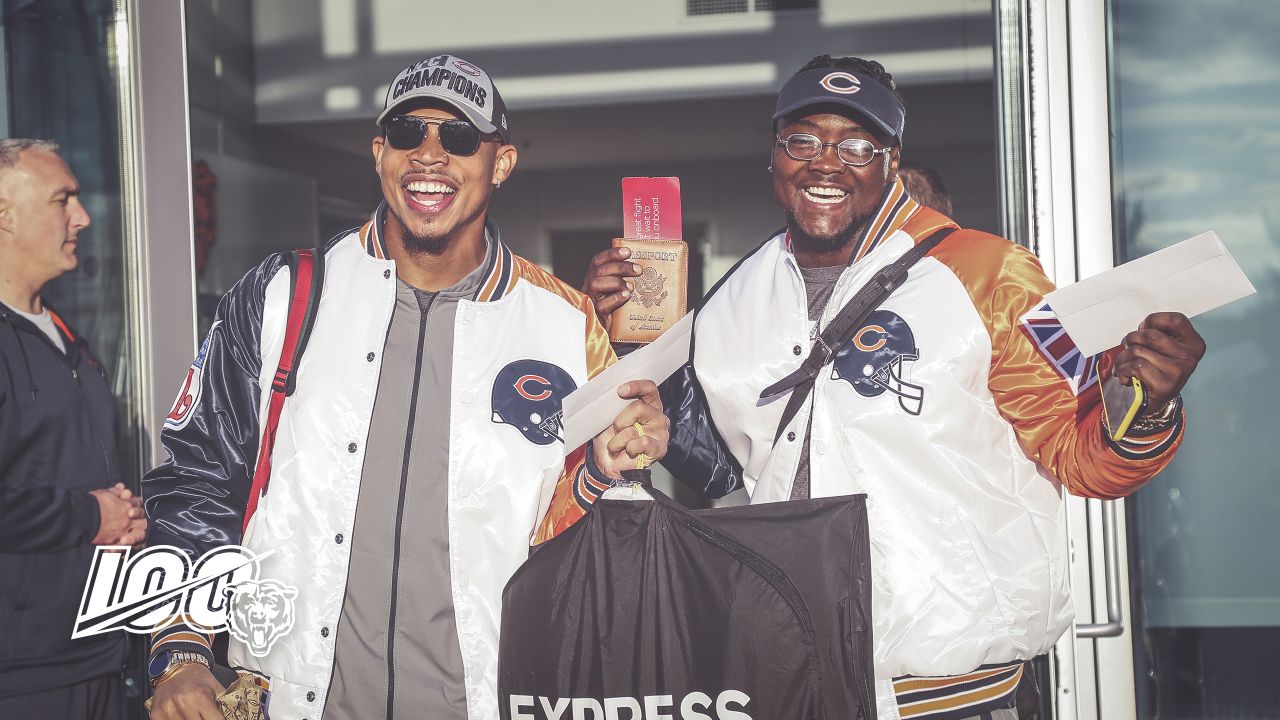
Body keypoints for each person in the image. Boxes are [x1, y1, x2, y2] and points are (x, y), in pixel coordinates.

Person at [582, 55, 1206, 719]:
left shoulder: (993, 275)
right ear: (775, 155)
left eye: (856, 145)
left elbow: (1081, 456)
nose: (827, 163)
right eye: (804, 140)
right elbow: (720, 468)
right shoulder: (739, 294)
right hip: (796, 683)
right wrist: (631, 354)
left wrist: (1149, 404)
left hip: (954, 693)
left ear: (890, 158)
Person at [142, 55, 668, 720]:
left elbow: (588, 539)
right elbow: (197, 476)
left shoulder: (565, 325)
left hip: (484, 702)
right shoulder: (284, 295)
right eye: (407, 133)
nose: (429, 155)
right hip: (293, 700)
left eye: (458, 138)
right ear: (378, 152)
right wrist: (181, 646)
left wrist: (614, 467)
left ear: (500, 163)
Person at [0, 138, 146, 719]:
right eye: (64, 200)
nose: (82, 218)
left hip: (102, 657)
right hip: (23, 680)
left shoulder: (70, 340)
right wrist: (92, 515)